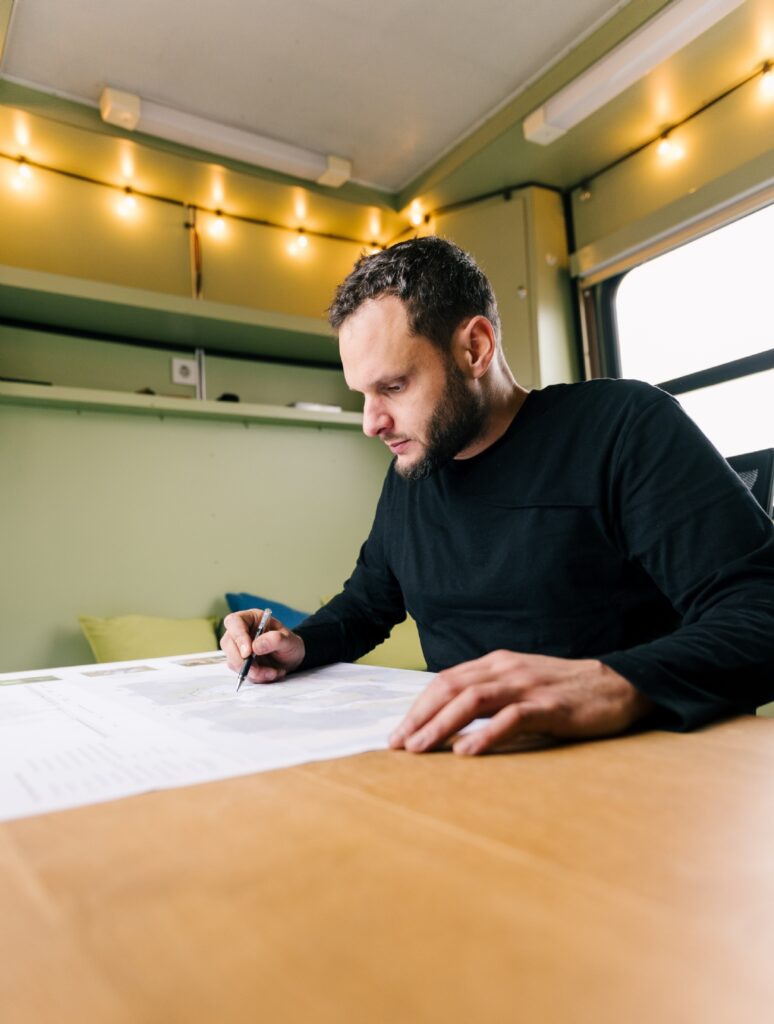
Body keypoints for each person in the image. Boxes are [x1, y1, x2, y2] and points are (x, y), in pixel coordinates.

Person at [221, 237, 774, 754]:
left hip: (636, 761)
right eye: (363, 394)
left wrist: (614, 682)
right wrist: (296, 644)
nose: (371, 422)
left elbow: (759, 607)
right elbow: (367, 606)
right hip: (469, 763)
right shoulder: (411, 474)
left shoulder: (622, 426)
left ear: (475, 348)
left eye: (392, 386)